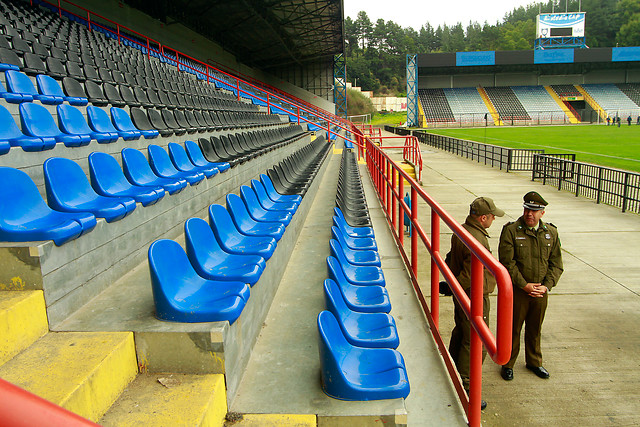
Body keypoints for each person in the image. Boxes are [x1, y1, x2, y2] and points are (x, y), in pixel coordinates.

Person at [498, 191, 563, 381]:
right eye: (527, 209)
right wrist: (524, 285)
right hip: (518, 291)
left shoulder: (551, 233)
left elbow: (556, 263)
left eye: (534, 211)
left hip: (540, 292)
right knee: (513, 329)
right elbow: (507, 263)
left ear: (542, 213)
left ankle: (534, 362)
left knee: (535, 329)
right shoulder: (512, 231)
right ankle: (507, 362)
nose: (529, 214)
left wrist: (546, 286)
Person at [448, 197, 505, 410]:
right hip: (474, 295)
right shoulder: (477, 238)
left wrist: (451, 285)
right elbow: (471, 273)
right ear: (483, 218)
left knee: (462, 333)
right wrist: (456, 285)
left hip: (464, 293)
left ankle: (453, 368)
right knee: (475, 342)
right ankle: (467, 388)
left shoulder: (463, 229)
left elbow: (451, 256)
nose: (493, 220)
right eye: (491, 216)